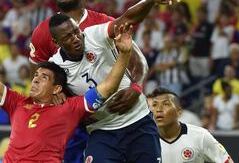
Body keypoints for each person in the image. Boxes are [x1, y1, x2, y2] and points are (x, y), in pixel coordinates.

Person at [30, 0, 184, 162]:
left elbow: (131, 31)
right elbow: (39, 80)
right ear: (56, 42)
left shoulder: (98, 28)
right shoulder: (45, 40)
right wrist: (56, 96)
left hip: (135, 118)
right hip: (94, 126)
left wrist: (136, 86)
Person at [0, 22, 133, 162]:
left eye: (44, 77)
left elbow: (107, 87)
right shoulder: (18, 103)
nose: (35, 78)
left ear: (57, 88)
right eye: (36, 75)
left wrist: (124, 54)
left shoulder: (70, 108)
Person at [48, 14, 173, 162]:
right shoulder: (54, 68)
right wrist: (59, 102)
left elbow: (128, 18)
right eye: (67, 37)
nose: (75, 38)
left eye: (76, 32)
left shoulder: (94, 35)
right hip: (102, 130)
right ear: (56, 42)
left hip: (138, 120)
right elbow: (54, 101)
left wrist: (136, 87)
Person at [149, 87, 234, 163]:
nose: (158, 109)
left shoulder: (200, 136)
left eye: (166, 104)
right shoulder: (145, 140)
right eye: (155, 105)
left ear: (179, 112)